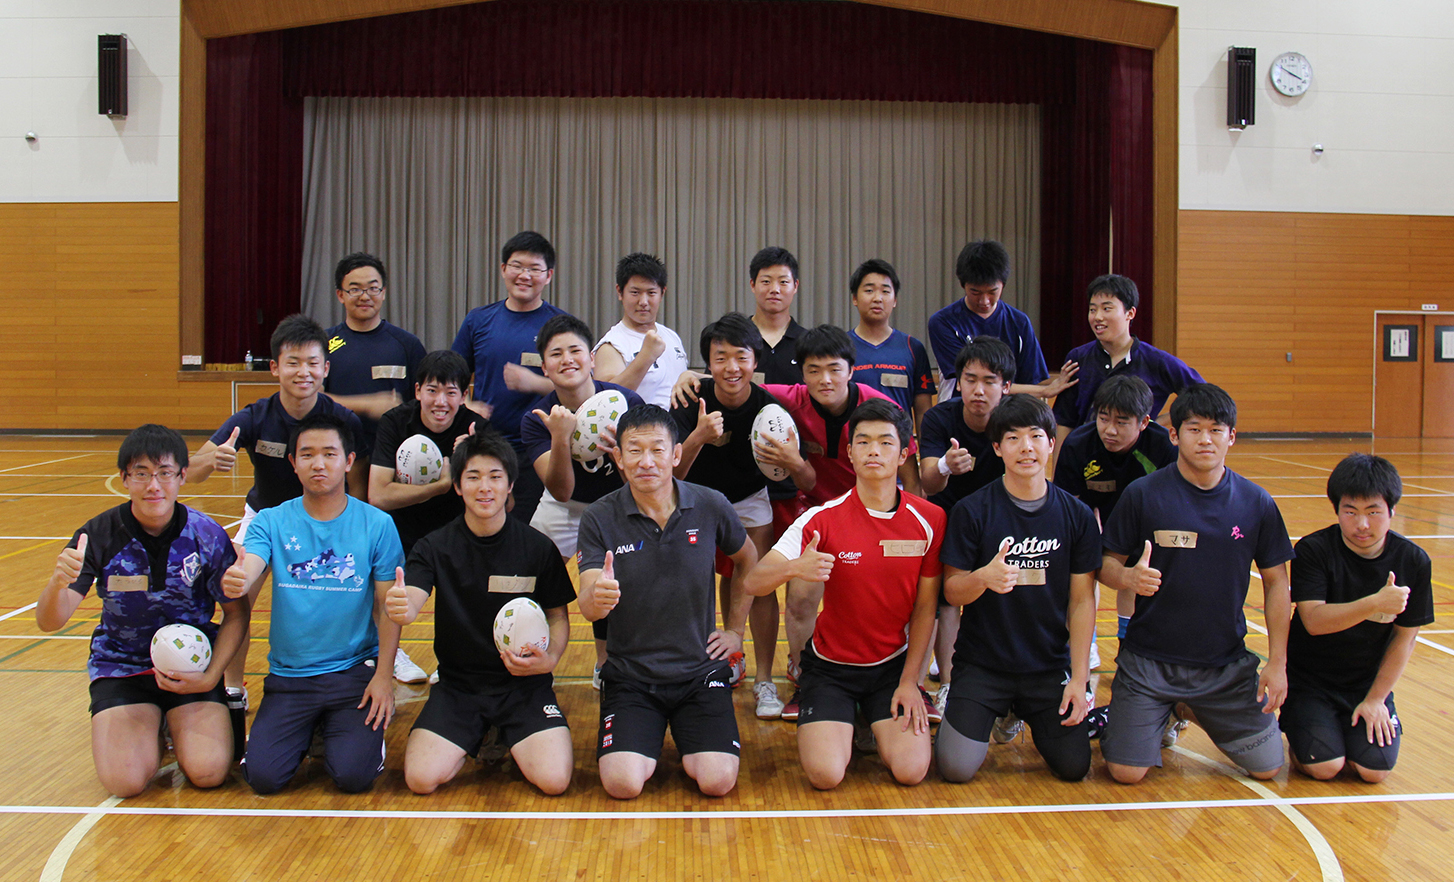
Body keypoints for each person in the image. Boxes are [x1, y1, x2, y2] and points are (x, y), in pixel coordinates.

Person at [36, 424, 248, 797]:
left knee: (209, 772)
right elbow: (49, 621)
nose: (154, 486)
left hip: (192, 667)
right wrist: (56, 583)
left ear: (182, 476)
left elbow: (237, 614)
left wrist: (211, 675)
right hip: (123, 666)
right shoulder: (98, 534)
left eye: (165, 473)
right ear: (124, 478)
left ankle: (172, 721)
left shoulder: (207, 534)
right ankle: (153, 726)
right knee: (126, 782)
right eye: (141, 474)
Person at [1098, 383, 1293, 784]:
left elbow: (1277, 584)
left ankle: (1186, 707)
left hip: (1224, 665)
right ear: (1174, 435)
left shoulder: (1256, 502)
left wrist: (1277, 663)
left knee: (1268, 767)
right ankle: (1163, 704)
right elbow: (1105, 564)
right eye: (1194, 429)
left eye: (1216, 430)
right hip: (1149, 661)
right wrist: (1128, 577)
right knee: (1125, 772)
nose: (1205, 439)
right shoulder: (1143, 494)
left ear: (1232, 437)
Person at [745, 399, 942, 789]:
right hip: (831, 668)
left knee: (911, 771)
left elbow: (926, 609)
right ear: (849, 452)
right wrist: (793, 568)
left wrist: (910, 681)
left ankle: (869, 716)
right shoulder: (820, 518)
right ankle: (848, 717)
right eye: (863, 442)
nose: (873, 451)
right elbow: (754, 582)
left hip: (891, 668)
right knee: (826, 775)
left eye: (885, 442)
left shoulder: (929, 520)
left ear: (904, 454)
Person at [577, 405, 759, 799]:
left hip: (699, 673)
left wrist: (735, 631)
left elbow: (748, 559)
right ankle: (643, 735)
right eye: (634, 450)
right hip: (630, 676)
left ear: (676, 454)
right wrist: (598, 596)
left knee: (717, 781)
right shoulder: (598, 517)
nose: (646, 462)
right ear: (619, 458)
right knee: (622, 784)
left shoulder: (710, 504)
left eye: (657, 450)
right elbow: (588, 605)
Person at [186, 313, 368, 695]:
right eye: (293, 362)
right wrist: (212, 459)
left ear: (325, 369)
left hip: (326, 522)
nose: (304, 372)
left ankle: (342, 679)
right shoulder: (253, 417)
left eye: (313, 363)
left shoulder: (343, 421)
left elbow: (359, 484)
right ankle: (232, 689)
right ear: (274, 368)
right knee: (236, 596)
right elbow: (192, 472)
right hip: (265, 521)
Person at [387, 430, 576, 795]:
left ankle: (505, 733)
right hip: (459, 687)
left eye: (495, 477)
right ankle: (481, 733)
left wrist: (550, 658)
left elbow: (557, 615)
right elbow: (411, 598)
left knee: (554, 781)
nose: (484, 487)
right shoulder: (434, 546)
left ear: (510, 485)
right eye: (473, 477)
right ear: (458, 486)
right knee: (421, 779)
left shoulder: (537, 548)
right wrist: (403, 606)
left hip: (523, 686)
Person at [225, 413, 405, 794]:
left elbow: (389, 608)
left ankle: (341, 733)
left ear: (349, 461)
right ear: (293, 463)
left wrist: (383, 678)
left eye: (329, 454)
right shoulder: (270, 521)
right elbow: (252, 562)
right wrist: (241, 574)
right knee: (263, 779)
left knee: (354, 777)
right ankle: (313, 729)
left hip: (353, 673)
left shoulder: (377, 525)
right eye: (307, 455)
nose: (318, 464)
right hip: (290, 677)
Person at [758, 324, 923, 721]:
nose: (825, 380)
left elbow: (911, 475)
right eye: (813, 370)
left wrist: (912, 522)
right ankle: (804, 676)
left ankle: (905, 678)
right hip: (818, 516)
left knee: (895, 600)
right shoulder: (791, 399)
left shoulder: (880, 408)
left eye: (834, 369)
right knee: (800, 599)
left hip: (875, 515)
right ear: (802, 373)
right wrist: (688, 377)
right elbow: (740, 383)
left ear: (851, 369)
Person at [936, 395, 1099, 782]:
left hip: (1047, 667)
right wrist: (982, 578)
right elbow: (952, 592)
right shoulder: (972, 511)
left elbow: (1081, 602)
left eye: (1036, 436)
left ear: (1051, 443)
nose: (1026, 447)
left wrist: (1079, 680)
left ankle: (1022, 712)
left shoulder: (1076, 516)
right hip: (983, 666)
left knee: (1074, 767)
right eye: (1013, 438)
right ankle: (994, 710)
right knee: (955, 768)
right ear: (997, 448)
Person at [1283, 454, 1433, 783]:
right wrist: (1375, 603)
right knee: (1325, 766)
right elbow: (1314, 621)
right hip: (1311, 683)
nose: (1362, 524)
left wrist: (1376, 699)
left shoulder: (1413, 561)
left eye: (1373, 512)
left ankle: (1346, 729)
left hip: (1366, 684)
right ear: (1337, 510)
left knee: (1374, 770)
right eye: (1350, 512)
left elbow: (1405, 638)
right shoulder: (1313, 550)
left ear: (1392, 510)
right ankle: (1305, 735)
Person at [670, 313, 788, 719]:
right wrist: (699, 436)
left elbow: (785, 469)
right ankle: (717, 661)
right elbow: (674, 473)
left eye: (741, 356)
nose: (731, 367)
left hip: (749, 496)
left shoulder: (769, 407)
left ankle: (764, 678)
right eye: (721, 358)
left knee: (758, 579)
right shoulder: (690, 398)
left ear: (755, 361)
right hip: (694, 497)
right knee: (700, 579)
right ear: (708, 363)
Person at [522, 314, 645, 685]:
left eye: (575, 350)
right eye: (556, 354)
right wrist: (561, 438)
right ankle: (524, 652)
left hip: (616, 504)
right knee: (528, 576)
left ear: (591, 358)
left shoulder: (626, 402)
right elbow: (560, 490)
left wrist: (619, 454)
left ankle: (606, 664)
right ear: (545, 367)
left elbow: (642, 480)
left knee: (610, 580)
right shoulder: (536, 417)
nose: (567, 360)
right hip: (563, 506)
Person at [368, 351, 491, 684]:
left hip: (457, 530)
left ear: (463, 396)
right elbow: (378, 494)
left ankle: (454, 659)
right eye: (432, 390)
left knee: (469, 593)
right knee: (390, 593)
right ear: (418, 390)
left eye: (451, 392)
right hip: (403, 529)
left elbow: (497, 500)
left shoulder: (476, 429)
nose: (441, 402)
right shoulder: (396, 422)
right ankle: (391, 655)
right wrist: (439, 487)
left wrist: (472, 457)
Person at [915, 336, 1015, 710]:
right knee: (944, 602)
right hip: (949, 519)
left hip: (1001, 520)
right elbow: (928, 482)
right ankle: (948, 684)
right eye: (970, 379)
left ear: (1006, 386)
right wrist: (946, 465)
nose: (978, 390)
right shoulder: (940, 417)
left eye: (989, 381)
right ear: (958, 382)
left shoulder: (1016, 420)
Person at [451, 231, 569, 526]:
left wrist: (534, 383)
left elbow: (578, 386)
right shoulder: (479, 320)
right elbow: (452, 377)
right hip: (486, 444)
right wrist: (466, 404)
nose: (524, 275)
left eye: (534, 269)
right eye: (517, 266)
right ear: (504, 269)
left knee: (529, 529)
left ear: (549, 276)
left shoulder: (559, 325)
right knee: (485, 524)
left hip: (538, 448)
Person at [1053, 374, 1177, 653]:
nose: (1110, 430)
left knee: (1137, 567)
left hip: (1145, 518)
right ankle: (1086, 640)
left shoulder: (1162, 447)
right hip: (1092, 513)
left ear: (1143, 422)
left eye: (1121, 422)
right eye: (1103, 418)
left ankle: (1128, 640)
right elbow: (1067, 507)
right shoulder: (1077, 445)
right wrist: (1085, 538)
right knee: (1081, 563)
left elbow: (1173, 501)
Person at [1051, 273, 1203, 446]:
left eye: (1107, 309)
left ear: (1130, 313)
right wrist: (1060, 463)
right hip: (1086, 454)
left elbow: (1203, 396)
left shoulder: (1156, 360)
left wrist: (1159, 422)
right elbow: (1065, 421)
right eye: (1093, 310)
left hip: (1138, 454)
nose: (1098, 317)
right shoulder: (1078, 357)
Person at [322, 251, 427, 493]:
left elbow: (425, 399)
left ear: (384, 292)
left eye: (373, 288)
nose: (365, 296)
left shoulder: (407, 345)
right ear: (340, 295)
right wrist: (366, 404)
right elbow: (311, 399)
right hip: (338, 457)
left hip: (395, 459)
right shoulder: (324, 344)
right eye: (355, 289)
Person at [926, 239, 1075, 401]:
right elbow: (970, 378)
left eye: (992, 292)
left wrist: (1044, 390)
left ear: (1003, 285)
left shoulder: (1019, 322)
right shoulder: (943, 322)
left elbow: (1030, 378)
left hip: (1009, 411)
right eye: (975, 292)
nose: (984, 301)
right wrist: (1044, 391)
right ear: (963, 285)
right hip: (961, 409)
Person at [846, 259, 934, 434]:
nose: (877, 298)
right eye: (869, 290)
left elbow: (923, 411)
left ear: (894, 300)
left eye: (885, 291)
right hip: (854, 445)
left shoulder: (913, 347)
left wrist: (926, 450)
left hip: (899, 446)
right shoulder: (841, 347)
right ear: (855, 298)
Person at [593, 252, 690, 408]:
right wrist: (646, 357)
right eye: (635, 293)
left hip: (679, 423)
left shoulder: (672, 336)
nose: (643, 302)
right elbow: (606, 402)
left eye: (651, 293)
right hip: (640, 424)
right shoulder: (611, 346)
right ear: (620, 292)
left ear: (662, 293)